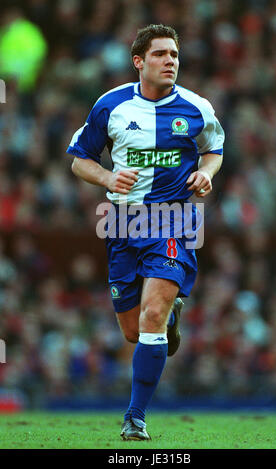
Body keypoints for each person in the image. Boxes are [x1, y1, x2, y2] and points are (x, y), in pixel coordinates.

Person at [67, 24, 224, 441]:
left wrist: (206, 173)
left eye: (174, 54)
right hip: (122, 224)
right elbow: (79, 160)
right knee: (135, 331)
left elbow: (214, 149)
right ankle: (170, 319)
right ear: (139, 61)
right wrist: (107, 176)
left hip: (173, 219)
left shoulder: (197, 107)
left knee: (151, 315)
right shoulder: (111, 106)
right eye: (160, 54)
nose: (170, 61)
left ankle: (135, 417)